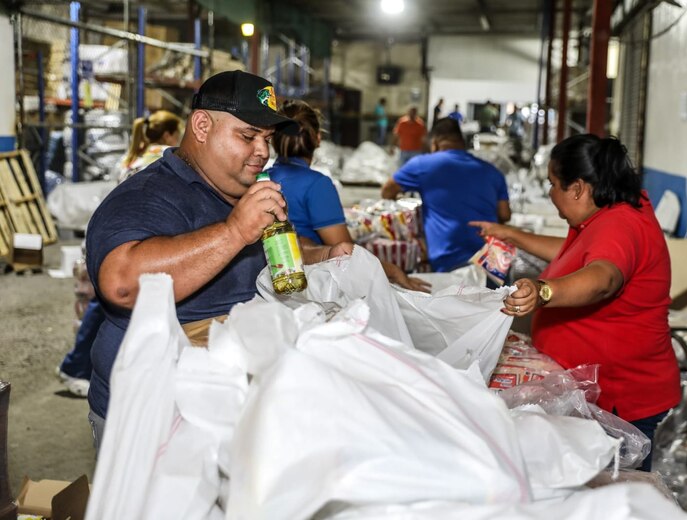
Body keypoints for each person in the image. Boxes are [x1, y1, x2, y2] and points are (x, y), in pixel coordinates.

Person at [85, 71, 352, 450]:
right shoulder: (146, 196)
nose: (262, 151)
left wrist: (323, 253)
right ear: (202, 125)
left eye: (267, 139)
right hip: (151, 417)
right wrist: (233, 232)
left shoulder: (235, 193)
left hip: (222, 406)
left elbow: (268, 251)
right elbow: (123, 283)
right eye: (247, 136)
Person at [470, 134, 681, 471]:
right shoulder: (609, 214)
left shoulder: (620, 225)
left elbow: (602, 279)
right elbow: (576, 256)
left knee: (611, 495)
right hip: (602, 388)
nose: (552, 195)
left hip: (619, 396)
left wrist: (544, 292)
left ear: (579, 188)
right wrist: (512, 234)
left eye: (554, 185)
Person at [56, 110, 184, 397]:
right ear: (167, 136)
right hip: (131, 245)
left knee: (102, 305)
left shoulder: (132, 157)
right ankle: (74, 366)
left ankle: (78, 364)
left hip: (107, 238)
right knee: (107, 307)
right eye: (178, 132)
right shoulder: (164, 157)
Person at [267, 100, 430, 293]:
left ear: (272, 138)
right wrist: (393, 271)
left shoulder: (262, 179)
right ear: (318, 138)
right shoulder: (317, 184)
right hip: (310, 285)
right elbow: (345, 252)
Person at [382, 117, 511, 273]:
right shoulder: (493, 172)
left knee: (453, 296)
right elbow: (504, 214)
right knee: (497, 296)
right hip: (494, 259)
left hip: (450, 260)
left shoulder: (422, 165)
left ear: (434, 143)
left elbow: (387, 191)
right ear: (462, 144)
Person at [119, 110, 183, 181]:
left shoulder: (130, 158)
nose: (179, 140)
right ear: (167, 136)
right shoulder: (170, 156)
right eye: (177, 135)